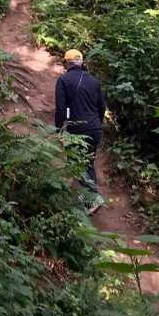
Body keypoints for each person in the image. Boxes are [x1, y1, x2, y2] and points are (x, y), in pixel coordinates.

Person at [54, 49, 107, 213]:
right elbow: (102, 107)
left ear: (66, 63)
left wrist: (59, 129)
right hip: (95, 128)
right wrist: (97, 123)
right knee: (88, 162)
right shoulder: (94, 81)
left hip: (77, 129)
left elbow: (61, 109)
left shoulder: (63, 80)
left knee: (76, 163)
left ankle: (93, 198)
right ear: (82, 62)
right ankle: (87, 196)